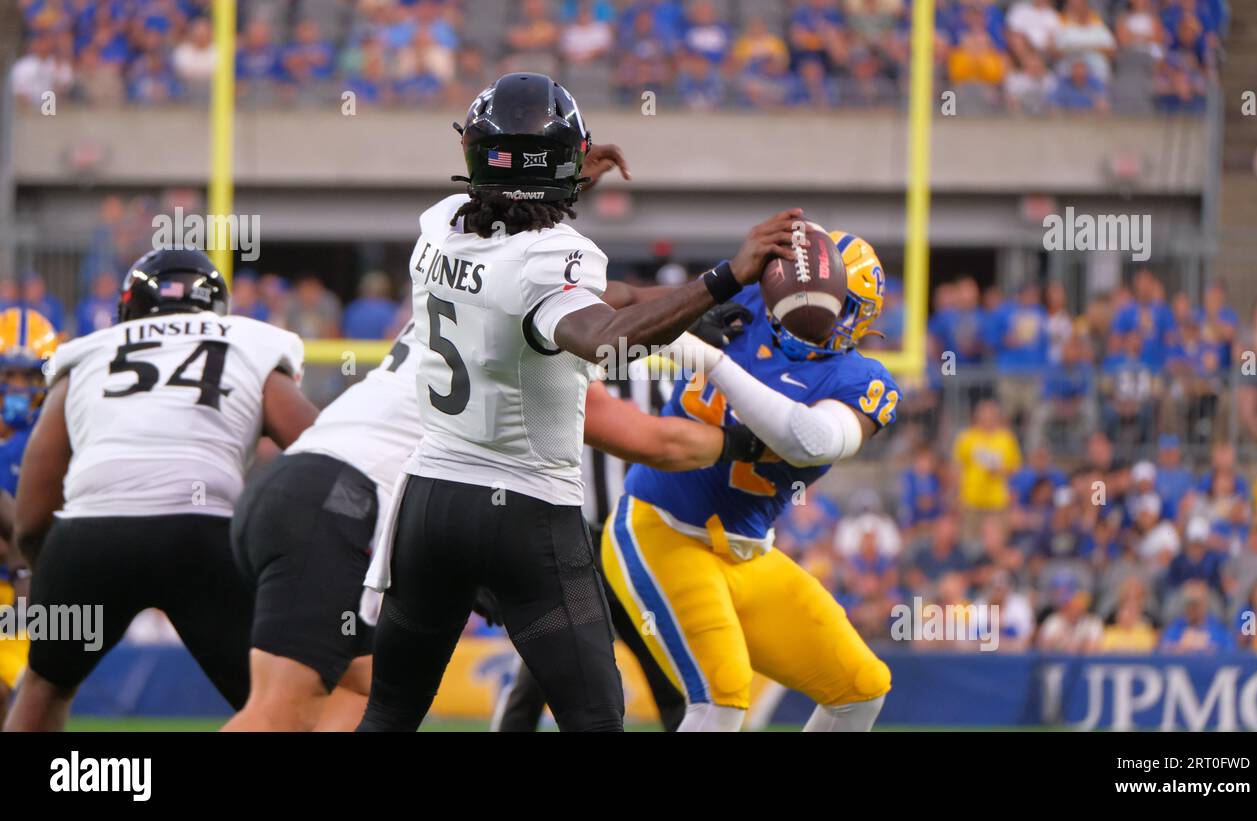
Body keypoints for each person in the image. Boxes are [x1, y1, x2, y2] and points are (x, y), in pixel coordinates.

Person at [356, 73, 799, 733]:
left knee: (389, 713)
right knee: (595, 718)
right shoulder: (552, 257)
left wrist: (561, 182)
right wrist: (723, 278)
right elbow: (598, 336)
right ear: (564, 161)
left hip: (430, 502)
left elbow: (522, 250)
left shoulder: (439, 228)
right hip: (525, 510)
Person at [3, 249, 319, 732]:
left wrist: (49, 570)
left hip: (89, 536)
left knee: (44, 686)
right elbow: (320, 451)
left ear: (128, 309)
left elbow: (32, 510)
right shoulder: (248, 343)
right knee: (273, 701)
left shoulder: (92, 352)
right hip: (202, 532)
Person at [601, 230, 897, 732]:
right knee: (722, 696)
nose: (807, 307)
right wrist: (686, 307)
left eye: (834, 301)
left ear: (859, 315)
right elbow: (623, 299)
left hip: (747, 552)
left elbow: (812, 440)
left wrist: (707, 358)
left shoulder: (862, 379)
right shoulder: (749, 298)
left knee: (861, 687)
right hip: (662, 528)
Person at [0, 308, 60, 724]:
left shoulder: (54, 435)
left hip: (25, 589)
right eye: (9, 376)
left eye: (29, 377)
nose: (18, 388)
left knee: (24, 699)